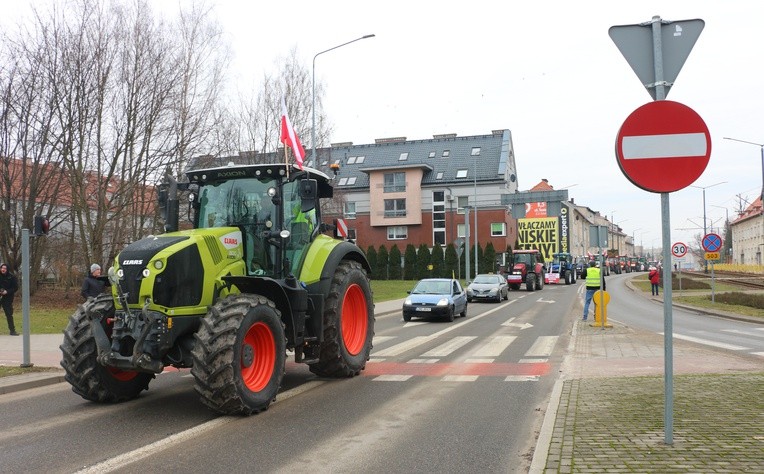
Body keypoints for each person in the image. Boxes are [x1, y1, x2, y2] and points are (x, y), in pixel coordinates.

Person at [0, 263, 19, 335]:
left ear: (7, 269)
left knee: (9, 314)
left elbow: (15, 288)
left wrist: (7, 292)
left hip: (8, 298)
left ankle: (12, 331)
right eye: (2, 268)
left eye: (4, 268)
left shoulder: (12, 277)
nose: (3, 269)